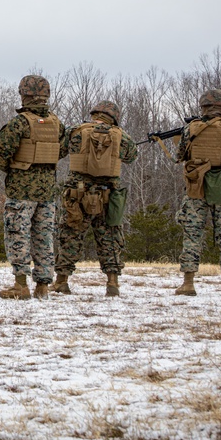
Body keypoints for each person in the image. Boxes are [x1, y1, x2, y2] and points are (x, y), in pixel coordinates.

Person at [0, 75, 68, 300]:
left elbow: (1, 155)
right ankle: (43, 286)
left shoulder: (19, 123)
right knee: (44, 237)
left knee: (18, 234)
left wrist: (17, 169)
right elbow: (61, 151)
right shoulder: (56, 123)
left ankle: (20, 285)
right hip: (47, 191)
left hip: (21, 191)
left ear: (24, 94)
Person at [54, 101, 138, 297]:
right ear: (114, 116)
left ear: (94, 114)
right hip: (108, 193)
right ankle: (112, 282)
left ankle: (62, 281)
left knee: (71, 235)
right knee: (110, 237)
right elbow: (131, 156)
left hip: (78, 193)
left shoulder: (76, 131)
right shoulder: (120, 135)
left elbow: (60, 151)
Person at [173, 89, 221, 297]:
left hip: (197, 185)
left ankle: (188, 283)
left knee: (192, 234)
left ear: (203, 107)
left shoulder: (191, 128)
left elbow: (180, 155)